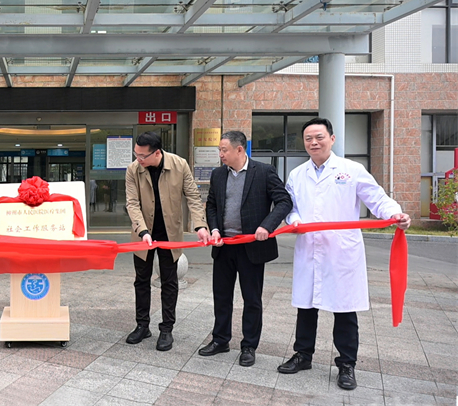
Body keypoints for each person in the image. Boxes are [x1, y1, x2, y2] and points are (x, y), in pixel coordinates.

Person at [279, 117, 410, 390]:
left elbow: (377, 198)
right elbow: (290, 207)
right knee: (306, 307)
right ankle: (303, 355)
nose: (314, 143)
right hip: (309, 248)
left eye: (319, 137)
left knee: (344, 310)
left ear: (332, 139)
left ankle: (347, 364)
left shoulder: (351, 170)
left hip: (341, 252)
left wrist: (395, 214)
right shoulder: (297, 174)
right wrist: (294, 220)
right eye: (308, 139)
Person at [198, 131, 292, 366]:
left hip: (252, 247)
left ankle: (249, 346)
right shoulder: (219, 174)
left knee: (251, 299)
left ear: (239, 149)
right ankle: (220, 340)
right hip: (224, 246)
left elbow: (284, 201)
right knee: (221, 296)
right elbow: (212, 205)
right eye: (219, 150)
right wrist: (215, 229)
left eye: (224, 150)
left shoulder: (264, 172)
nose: (220, 155)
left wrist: (267, 226)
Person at [125, 131, 210, 351]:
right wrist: (143, 231)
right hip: (143, 234)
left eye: (142, 156)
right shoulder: (133, 170)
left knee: (169, 282)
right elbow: (132, 203)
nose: (138, 159)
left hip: (170, 234)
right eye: (136, 154)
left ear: (157, 153)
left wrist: (200, 225)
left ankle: (166, 329)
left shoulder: (179, 165)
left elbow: (193, 197)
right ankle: (142, 325)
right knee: (141, 280)